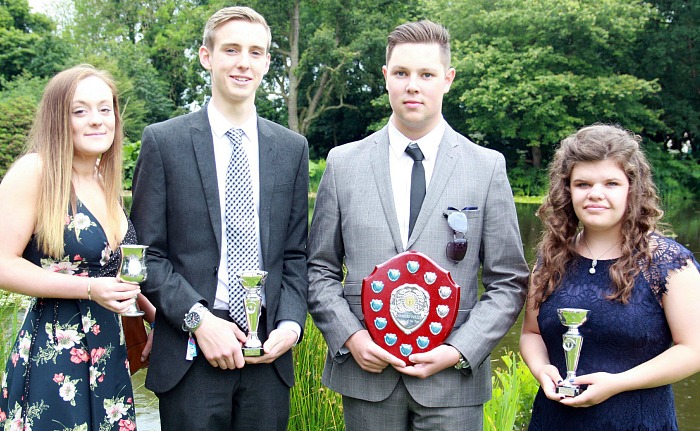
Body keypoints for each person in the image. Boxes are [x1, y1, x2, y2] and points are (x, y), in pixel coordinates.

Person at [307, 20, 529, 430]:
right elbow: (318, 269)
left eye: (426, 74)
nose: (413, 85)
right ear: (385, 78)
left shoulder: (486, 167)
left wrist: (459, 350)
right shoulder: (343, 164)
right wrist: (351, 338)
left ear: (447, 80)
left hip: (452, 384)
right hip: (367, 378)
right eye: (402, 73)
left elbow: (509, 280)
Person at [129, 6, 309, 430]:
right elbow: (145, 256)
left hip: (268, 354)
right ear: (206, 56)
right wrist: (199, 320)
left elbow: (297, 254)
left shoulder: (291, 149)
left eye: (255, 52)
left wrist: (292, 325)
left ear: (266, 62)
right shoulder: (164, 141)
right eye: (231, 49)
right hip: (191, 353)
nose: (243, 62)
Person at [519, 124, 700, 430]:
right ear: (567, 190)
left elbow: (693, 350)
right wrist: (542, 370)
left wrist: (617, 383)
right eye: (583, 184)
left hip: (639, 420)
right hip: (554, 420)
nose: (596, 195)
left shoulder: (668, 262)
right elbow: (531, 334)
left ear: (633, 189)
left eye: (611, 183)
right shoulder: (551, 258)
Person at [0, 65, 144, 430]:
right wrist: (89, 289)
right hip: (56, 354)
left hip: (110, 351)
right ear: (57, 119)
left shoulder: (102, 178)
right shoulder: (35, 171)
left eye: (105, 109)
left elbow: (110, 272)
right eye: (80, 111)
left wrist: (165, 321)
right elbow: (2, 263)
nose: (96, 120)